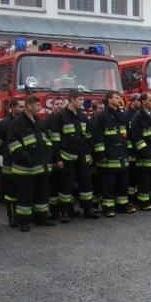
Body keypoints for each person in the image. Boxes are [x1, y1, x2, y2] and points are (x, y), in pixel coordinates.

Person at [49, 89, 99, 222]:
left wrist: (90, 153)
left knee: (86, 185)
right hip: (67, 157)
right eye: (80, 100)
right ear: (71, 99)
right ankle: (64, 212)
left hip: (83, 156)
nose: (82, 103)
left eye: (82, 100)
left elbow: (88, 136)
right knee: (66, 186)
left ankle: (87, 209)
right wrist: (58, 159)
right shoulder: (60, 117)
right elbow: (55, 139)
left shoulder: (83, 116)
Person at [6, 95, 55, 232]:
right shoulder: (17, 124)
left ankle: (42, 218)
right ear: (28, 106)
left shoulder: (38, 121)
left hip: (41, 167)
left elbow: (47, 140)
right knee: (25, 198)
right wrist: (28, 159)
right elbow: (14, 145)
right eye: (37, 106)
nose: (40, 108)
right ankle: (23, 222)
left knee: (42, 195)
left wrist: (49, 156)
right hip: (25, 169)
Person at [90, 90, 136, 217]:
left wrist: (129, 151)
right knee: (108, 184)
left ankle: (123, 205)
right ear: (109, 100)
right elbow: (97, 138)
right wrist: (101, 155)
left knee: (123, 183)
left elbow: (127, 135)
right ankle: (108, 208)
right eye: (116, 98)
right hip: (108, 158)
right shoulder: (101, 116)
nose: (119, 100)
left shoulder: (123, 115)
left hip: (122, 155)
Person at [0, 97, 24, 227]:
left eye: (24, 106)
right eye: (20, 106)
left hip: (25, 165)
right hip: (10, 165)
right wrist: (6, 152)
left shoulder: (28, 123)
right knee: (11, 194)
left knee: (24, 193)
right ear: (13, 107)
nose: (23, 109)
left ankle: (24, 217)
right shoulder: (3, 124)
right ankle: (12, 218)